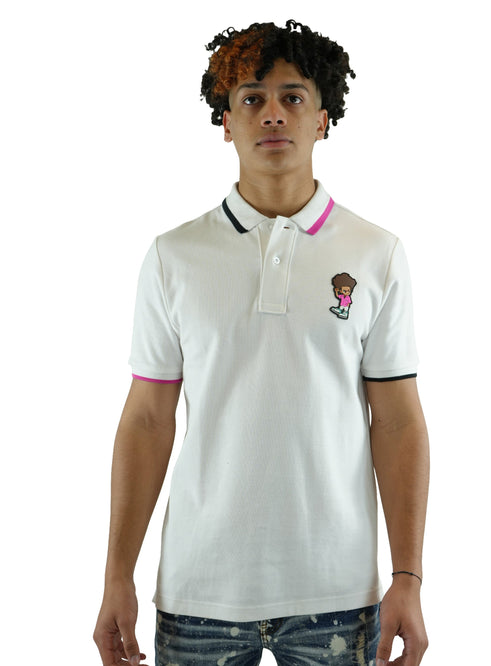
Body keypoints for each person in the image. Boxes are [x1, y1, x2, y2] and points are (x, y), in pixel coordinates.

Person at [94, 19, 430, 666]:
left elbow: (397, 421)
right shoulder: (172, 257)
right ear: (225, 122)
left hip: (339, 594)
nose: (272, 113)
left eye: (292, 96)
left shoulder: (377, 254)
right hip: (199, 595)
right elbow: (146, 419)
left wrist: (408, 578)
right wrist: (117, 576)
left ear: (323, 119)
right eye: (251, 98)